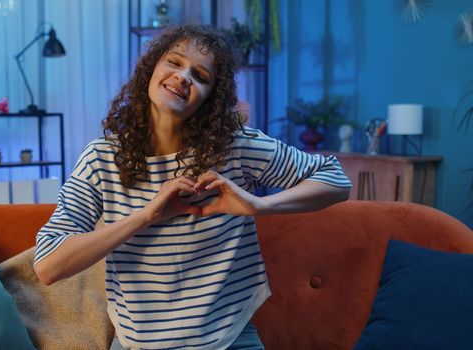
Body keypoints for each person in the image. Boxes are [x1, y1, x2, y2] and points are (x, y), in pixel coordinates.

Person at [34, 25, 351, 350]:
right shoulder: (102, 158)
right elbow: (47, 265)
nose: (183, 76)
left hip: (229, 341)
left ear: (211, 98)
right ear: (152, 68)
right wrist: (146, 216)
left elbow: (336, 180)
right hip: (137, 345)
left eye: (200, 75)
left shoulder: (235, 147)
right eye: (174, 62)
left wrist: (257, 206)